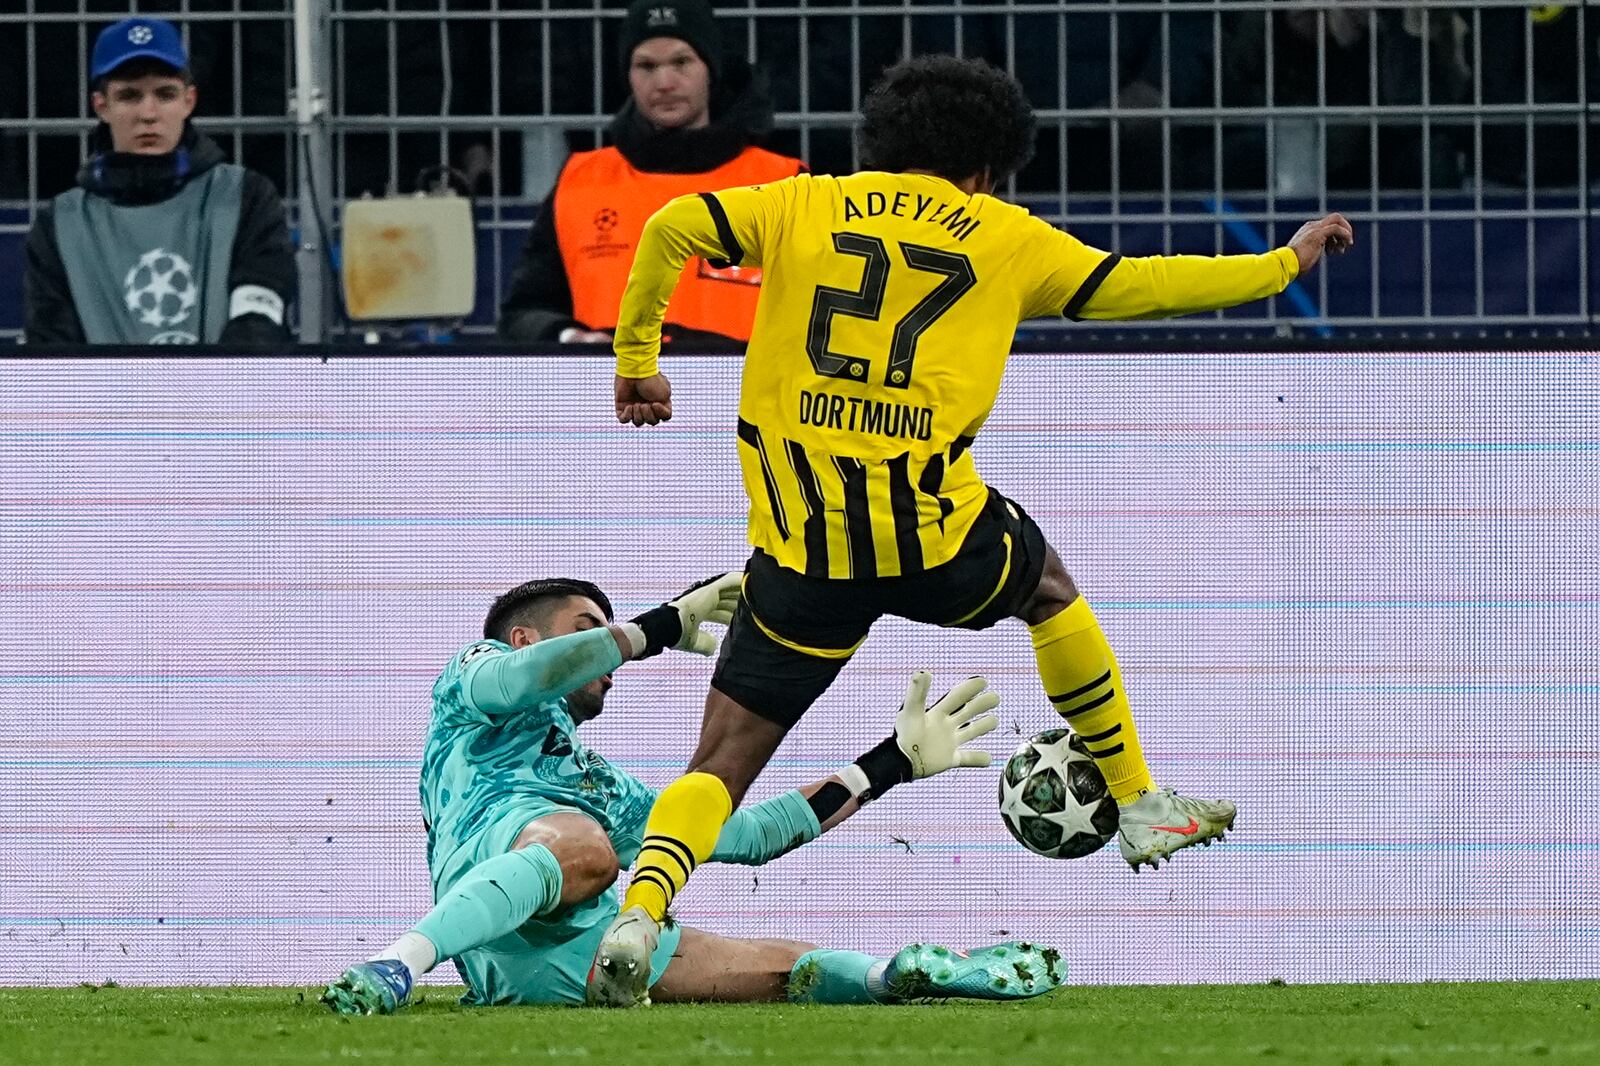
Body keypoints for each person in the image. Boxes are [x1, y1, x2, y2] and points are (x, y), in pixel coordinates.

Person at [590, 55, 1356, 1007]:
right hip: (934, 539)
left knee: (723, 759)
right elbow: (1151, 282)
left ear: (876, 145)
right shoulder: (1007, 237)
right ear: (991, 167)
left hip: (804, 550)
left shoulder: (799, 205)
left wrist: (638, 363)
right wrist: (1284, 263)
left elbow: (668, 227)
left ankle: (645, 903)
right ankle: (1143, 805)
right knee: (1048, 593)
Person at [322, 575, 1061, 1013]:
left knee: (788, 969)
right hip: (492, 886)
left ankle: (897, 972)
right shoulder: (474, 684)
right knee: (582, 847)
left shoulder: (596, 785)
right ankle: (396, 966)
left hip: (558, 967)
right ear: (524, 638)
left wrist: (888, 763)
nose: (605, 653)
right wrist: (656, 628)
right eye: (587, 631)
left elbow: (745, 835)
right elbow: (524, 681)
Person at [496, 0, 805, 346]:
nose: (664, 82)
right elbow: (523, 312)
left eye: (681, 61)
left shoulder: (784, 184)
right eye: (646, 65)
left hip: (744, 394)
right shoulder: (581, 180)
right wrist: (569, 338)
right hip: (608, 392)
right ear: (627, 75)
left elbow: (825, 316)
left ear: (711, 68)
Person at [22, 17, 294, 346]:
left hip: (226, 395)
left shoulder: (246, 197)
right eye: (130, 96)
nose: (148, 113)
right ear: (101, 106)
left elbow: (258, 327)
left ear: (188, 101)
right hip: (107, 398)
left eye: (165, 94)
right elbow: (54, 355)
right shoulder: (61, 224)